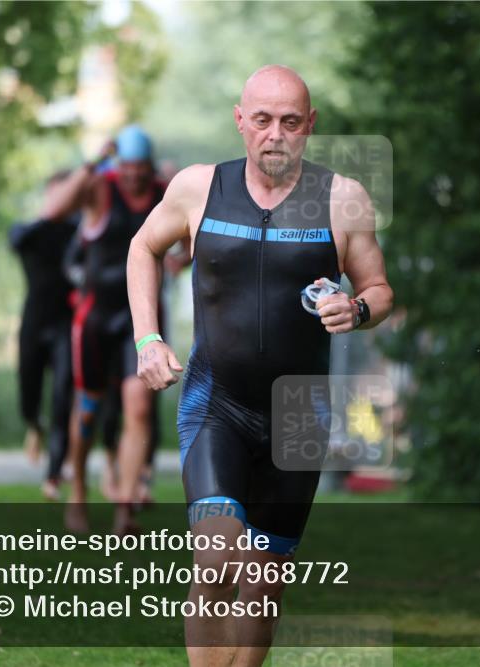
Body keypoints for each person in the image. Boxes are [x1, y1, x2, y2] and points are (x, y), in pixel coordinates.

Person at [128, 65, 393, 667]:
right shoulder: (199, 189)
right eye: (264, 120)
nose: (276, 134)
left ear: (310, 127)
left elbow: (378, 287)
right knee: (217, 556)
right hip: (217, 402)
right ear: (240, 121)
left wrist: (355, 308)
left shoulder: (342, 198)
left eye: (291, 122)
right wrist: (148, 339)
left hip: (299, 413)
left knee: (265, 581)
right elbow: (143, 247)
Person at [41, 125, 168, 534]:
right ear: (119, 165)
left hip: (141, 318)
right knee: (89, 410)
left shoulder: (165, 191)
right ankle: (78, 491)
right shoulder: (101, 187)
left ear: (150, 167)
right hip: (96, 317)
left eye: (141, 168)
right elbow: (53, 211)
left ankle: (124, 507)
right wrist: (93, 162)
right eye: (127, 167)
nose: (133, 175)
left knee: (140, 408)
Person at [9, 170, 79, 501]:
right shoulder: (29, 232)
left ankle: (53, 475)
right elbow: (15, 240)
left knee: (64, 396)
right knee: (28, 394)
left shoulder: (78, 233)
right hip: (34, 323)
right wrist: (47, 214)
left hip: (66, 324)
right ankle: (34, 426)